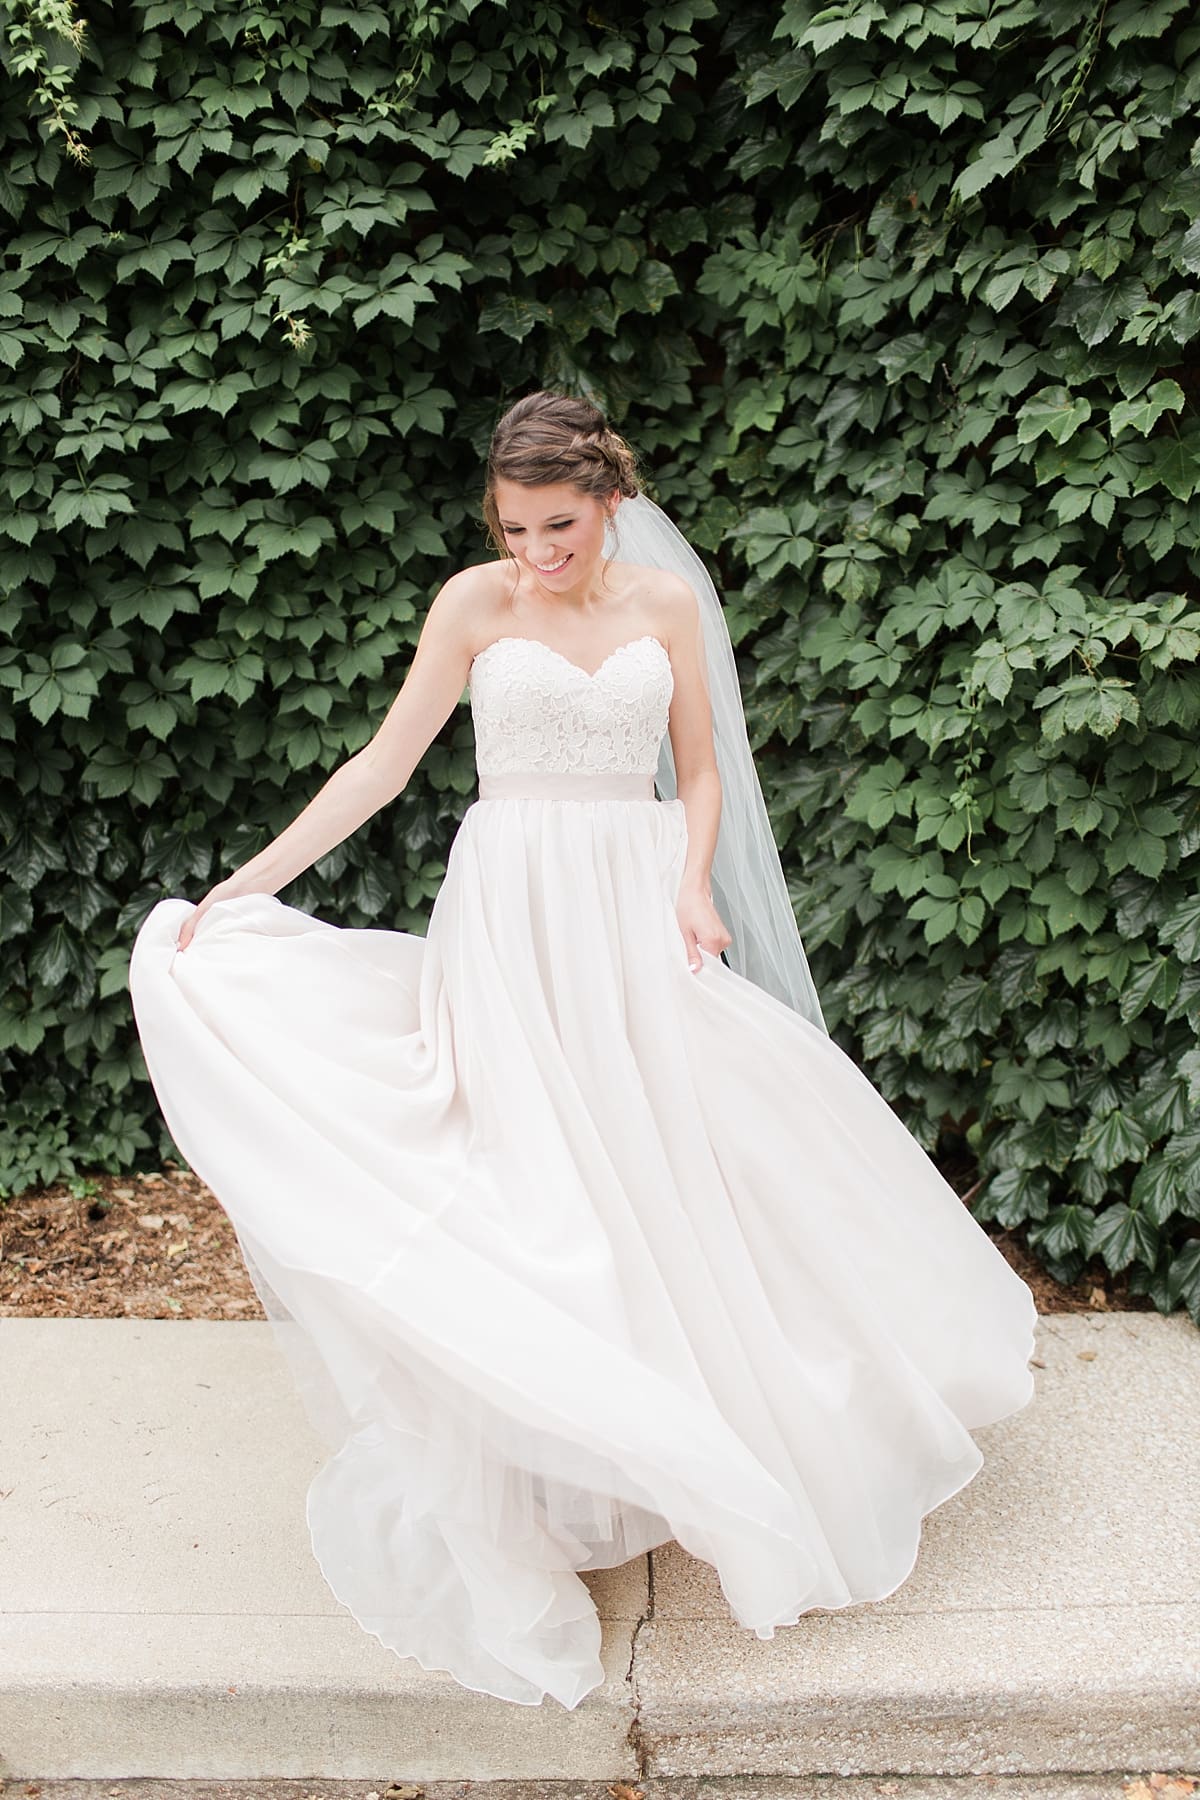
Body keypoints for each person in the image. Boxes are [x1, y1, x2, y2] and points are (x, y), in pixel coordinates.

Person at [129, 389, 1037, 1712]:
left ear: (610, 499)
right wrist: (243, 887)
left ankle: (720, 1428)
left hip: (631, 896)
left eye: (558, 524)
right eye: (514, 527)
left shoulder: (664, 606)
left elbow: (700, 770)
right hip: (513, 907)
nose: (537, 551)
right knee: (534, 1174)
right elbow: (383, 765)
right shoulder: (473, 605)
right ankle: (554, 1457)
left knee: (679, 1151)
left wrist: (693, 884)